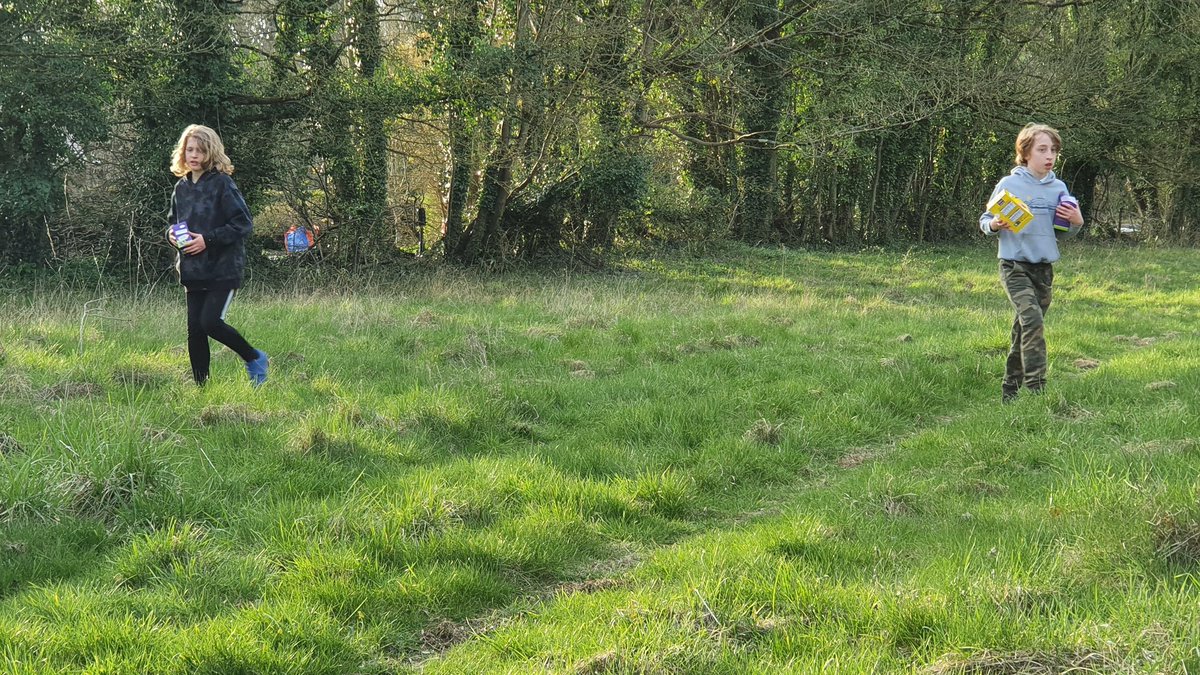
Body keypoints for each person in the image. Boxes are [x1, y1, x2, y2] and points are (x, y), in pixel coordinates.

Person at [980, 123, 1084, 403]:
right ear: (1025, 153)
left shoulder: (1059, 187)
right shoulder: (1008, 184)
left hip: (1044, 269)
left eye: (1053, 151)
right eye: (1042, 149)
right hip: (1014, 266)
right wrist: (995, 224)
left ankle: (1009, 392)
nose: (1049, 156)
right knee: (1033, 321)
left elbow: (1065, 231)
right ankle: (1038, 389)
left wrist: (1076, 222)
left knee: (1023, 329)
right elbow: (985, 221)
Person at [166, 124, 269, 386]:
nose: (194, 155)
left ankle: (255, 358)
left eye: (200, 150)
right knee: (195, 332)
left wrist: (207, 240)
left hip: (223, 269)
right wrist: (171, 235)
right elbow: (172, 222)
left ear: (211, 153)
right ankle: (202, 388)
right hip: (192, 270)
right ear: (183, 152)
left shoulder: (223, 184)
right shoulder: (181, 188)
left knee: (210, 323)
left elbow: (243, 223)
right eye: (189, 149)